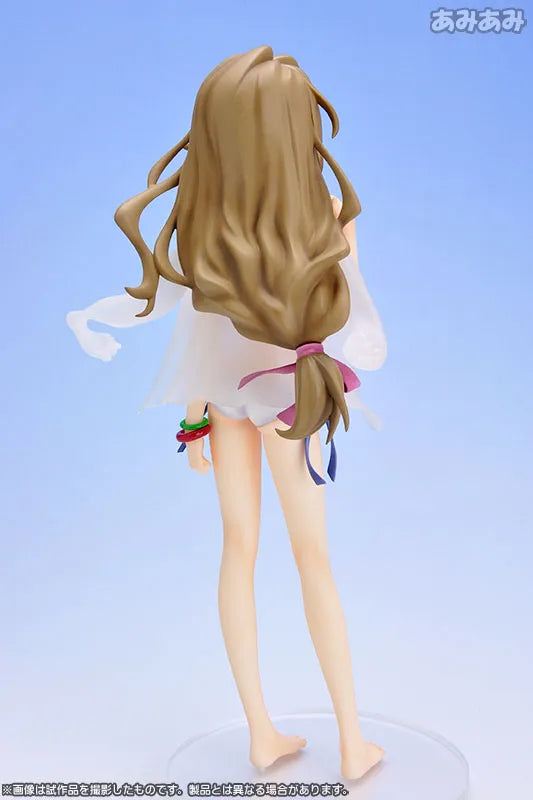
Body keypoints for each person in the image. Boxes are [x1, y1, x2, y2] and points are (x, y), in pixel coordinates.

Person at [67, 45, 387, 780]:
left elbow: (198, 331)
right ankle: (350, 742)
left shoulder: (204, 219)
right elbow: (351, 317)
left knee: (237, 549)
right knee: (312, 557)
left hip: (228, 401)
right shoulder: (327, 215)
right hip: (289, 400)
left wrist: (194, 418)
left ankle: (261, 733)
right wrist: (326, 379)